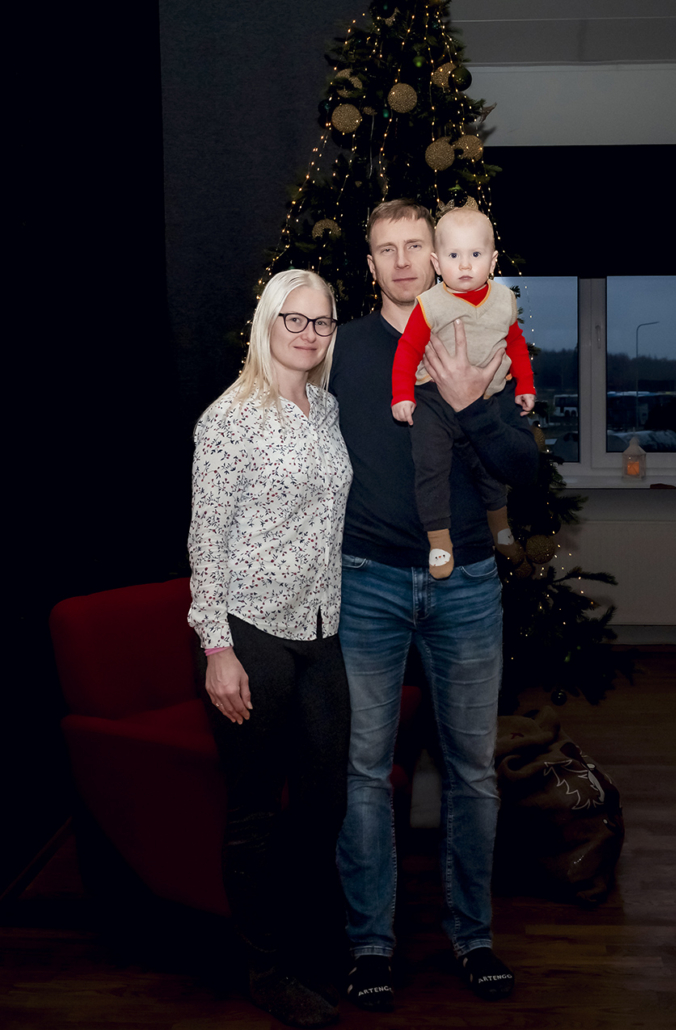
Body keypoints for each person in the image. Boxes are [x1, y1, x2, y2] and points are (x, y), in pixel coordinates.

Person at [329, 199, 539, 1010]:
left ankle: (471, 936)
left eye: (415, 245)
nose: (402, 260)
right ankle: (369, 945)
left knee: (471, 772)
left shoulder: (482, 331)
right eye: (385, 249)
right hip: (367, 581)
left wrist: (472, 401)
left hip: (468, 584)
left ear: (443, 254)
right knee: (363, 770)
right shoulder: (341, 348)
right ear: (370, 264)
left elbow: (521, 468)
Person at [187, 269, 353, 1029]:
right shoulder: (229, 418)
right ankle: (265, 969)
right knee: (255, 808)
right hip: (249, 631)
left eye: (322, 322)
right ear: (268, 322)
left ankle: (302, 942)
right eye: (296, 319)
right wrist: (216, 649)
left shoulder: (326, 408)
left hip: (320, 628)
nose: (309, 334)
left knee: (323, 802)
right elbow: (206, 540)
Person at [391, 206, 535, 578]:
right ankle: (440, 541)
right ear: (437, 263)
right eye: (454, 255)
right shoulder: (431, 304)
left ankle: (500, 527)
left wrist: (525, 384)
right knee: (431, 466)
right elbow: (408, 349)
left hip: (484, 398)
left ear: (493, 260)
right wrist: (402, 394)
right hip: (433, 400)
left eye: (475, 254)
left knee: (487, 468)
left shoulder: (503, 300)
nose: (465, 264)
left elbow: (515, 344)